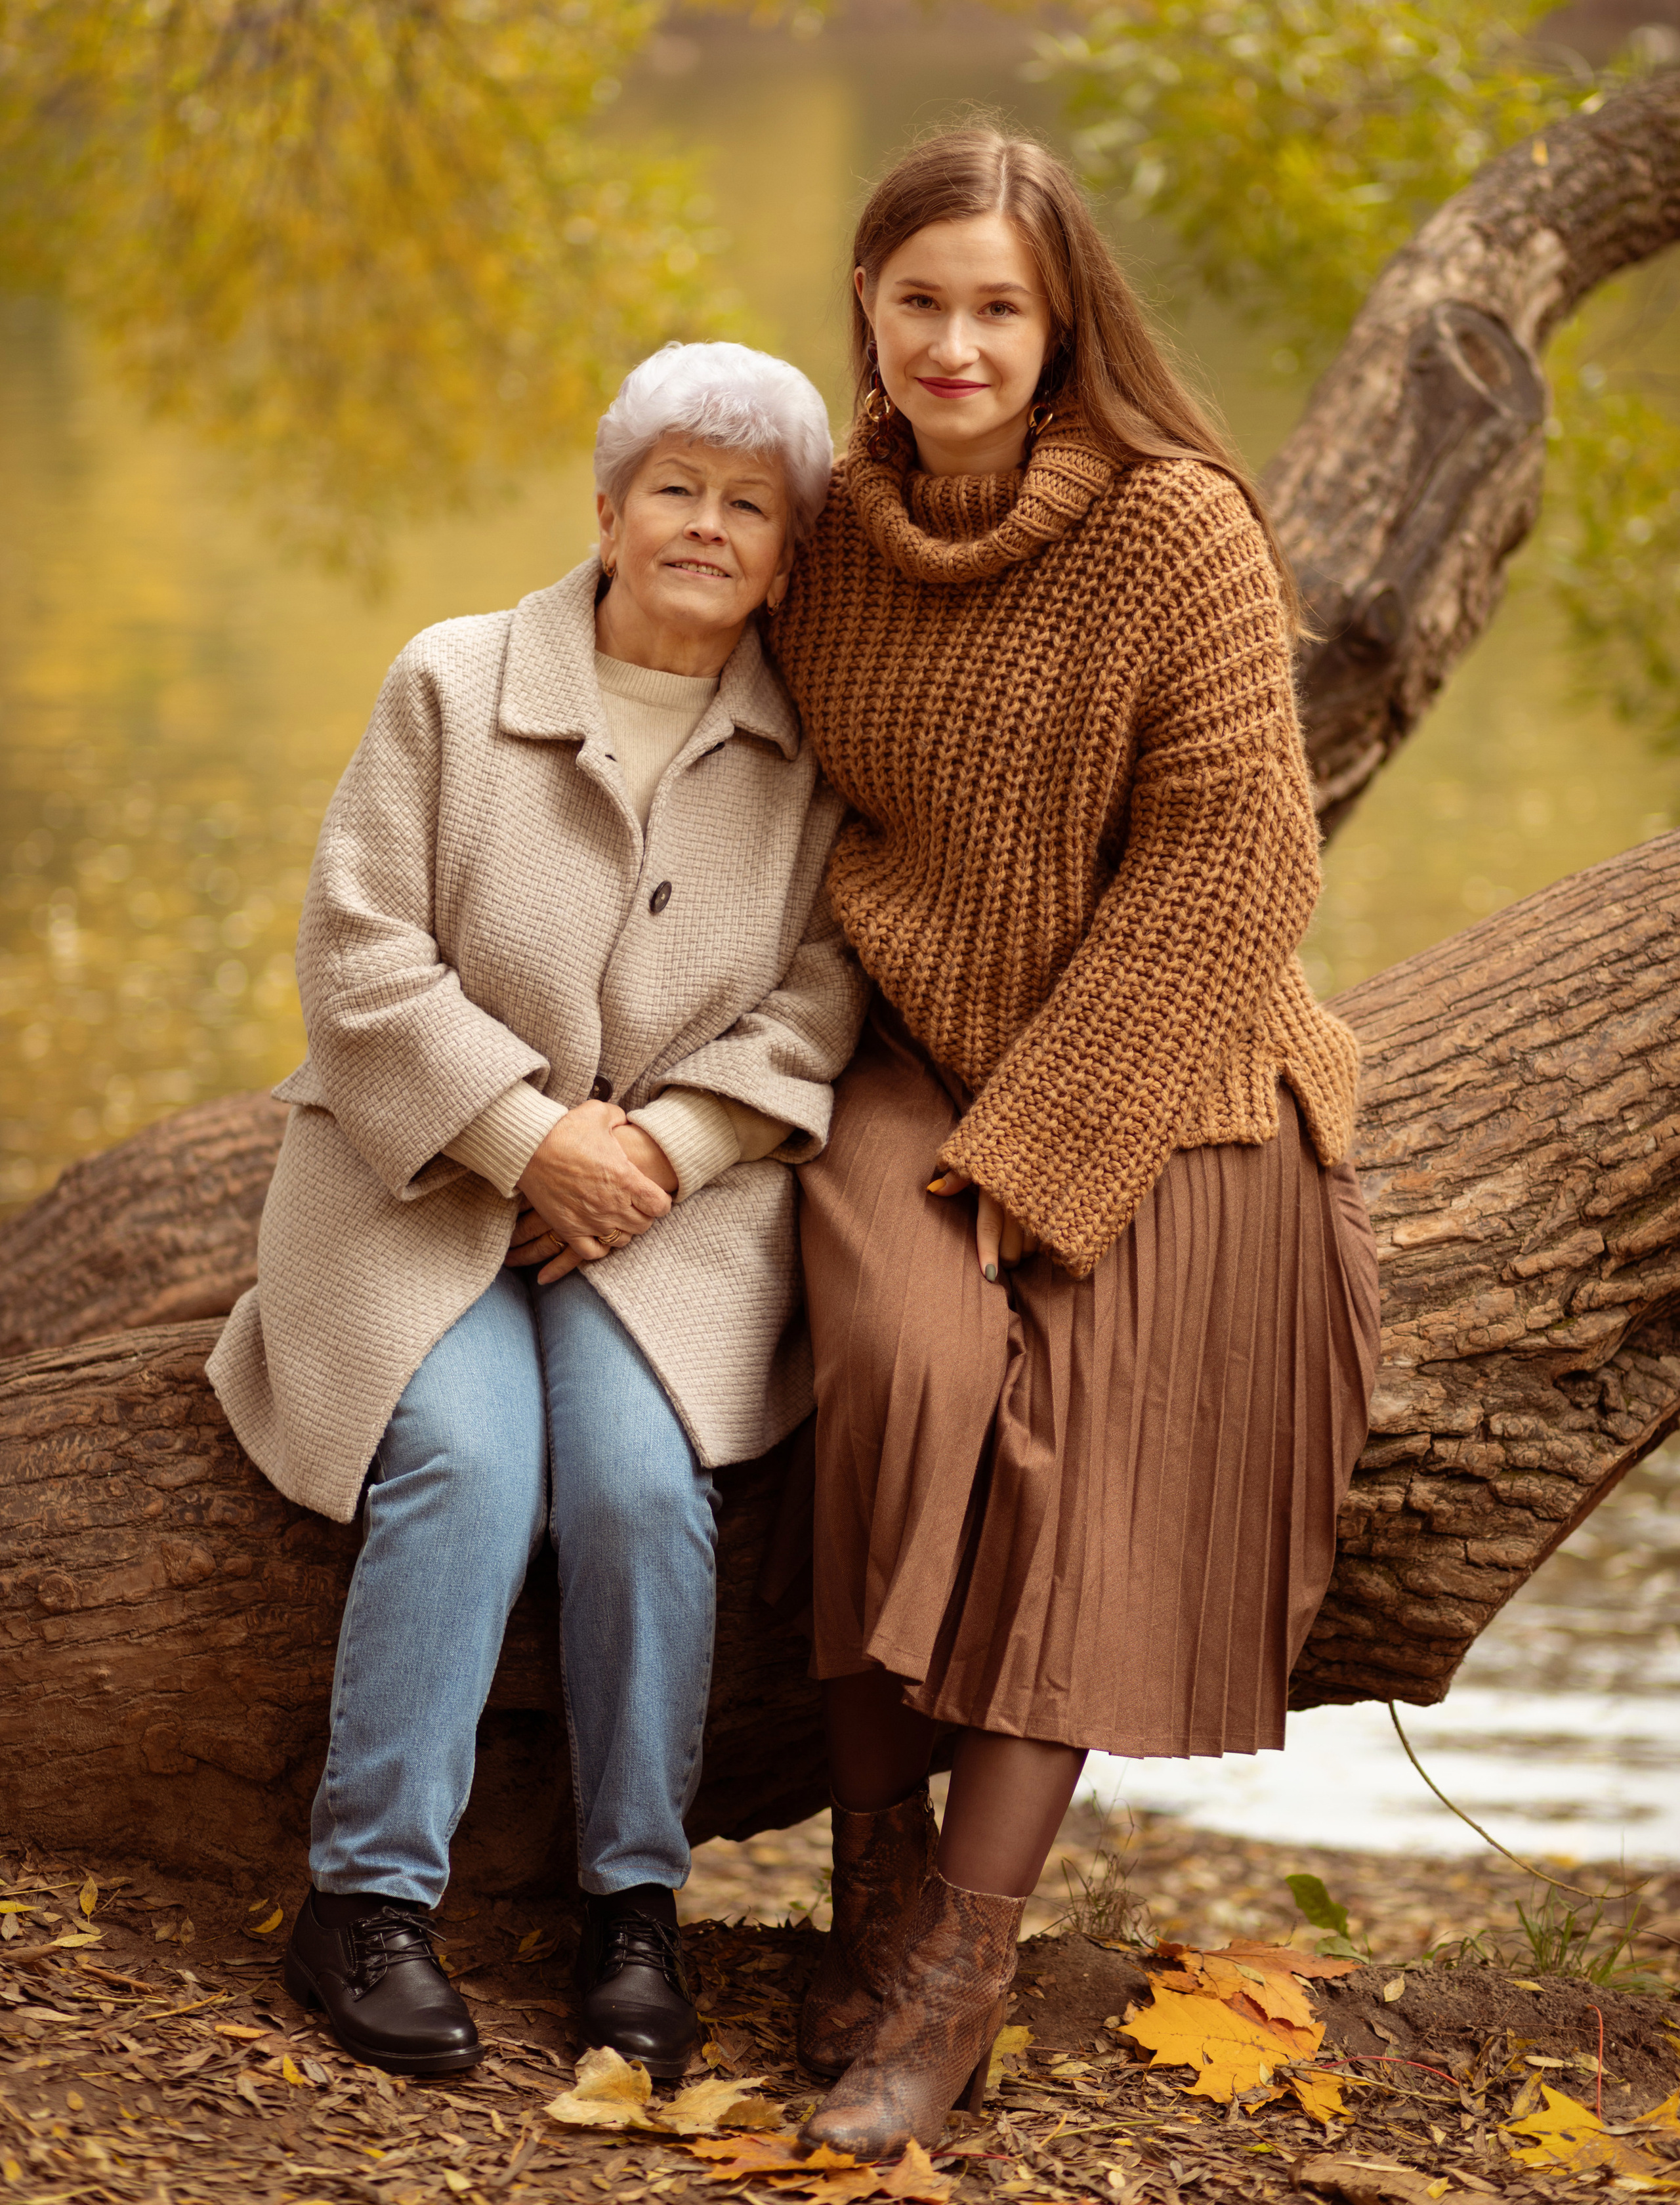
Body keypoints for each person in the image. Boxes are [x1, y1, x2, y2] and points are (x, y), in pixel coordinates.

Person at [767, 129, 1381, 2158]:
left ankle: (953, 1970)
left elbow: (1241, 855)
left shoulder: (1173, 529)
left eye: (999, 307)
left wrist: (1048, 1157)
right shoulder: (824, 531)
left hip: (1177, 1071)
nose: (957, 341)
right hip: (916, 1056)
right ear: (867, 305)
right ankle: (870, 1869)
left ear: (1063, 326)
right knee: (899, 1366)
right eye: (921, 298)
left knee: (1095, 1436)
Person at [207, 341, 866, 2082]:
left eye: (749, 506)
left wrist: (665, 1156)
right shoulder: (451, 680)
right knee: (473, 1465)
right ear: (605, 508)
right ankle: (361, 1902)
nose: (706, 527)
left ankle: (634, 1910)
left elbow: (815, 1000)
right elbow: (357, 958)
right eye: (675, 488)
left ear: (791, 552)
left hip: (664, 1216)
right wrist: (523, 1138)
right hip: (413, 1184)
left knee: (646, 1487)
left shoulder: (811, 758)